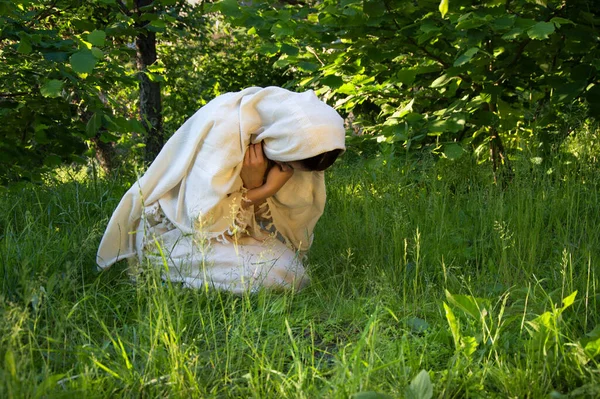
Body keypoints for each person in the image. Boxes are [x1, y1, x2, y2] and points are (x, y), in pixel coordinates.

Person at [96, 86, 345, 293]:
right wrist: (259, 188)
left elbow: (255, 225)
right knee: (278, 274)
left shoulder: (286, 137)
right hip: (174, 234)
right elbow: (201, 221)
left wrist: (255, 186)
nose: (287, 174)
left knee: (291, 271)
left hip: (227, 233)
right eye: (286, 165)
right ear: (283, 144)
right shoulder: (225, 129)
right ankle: (161, 273)